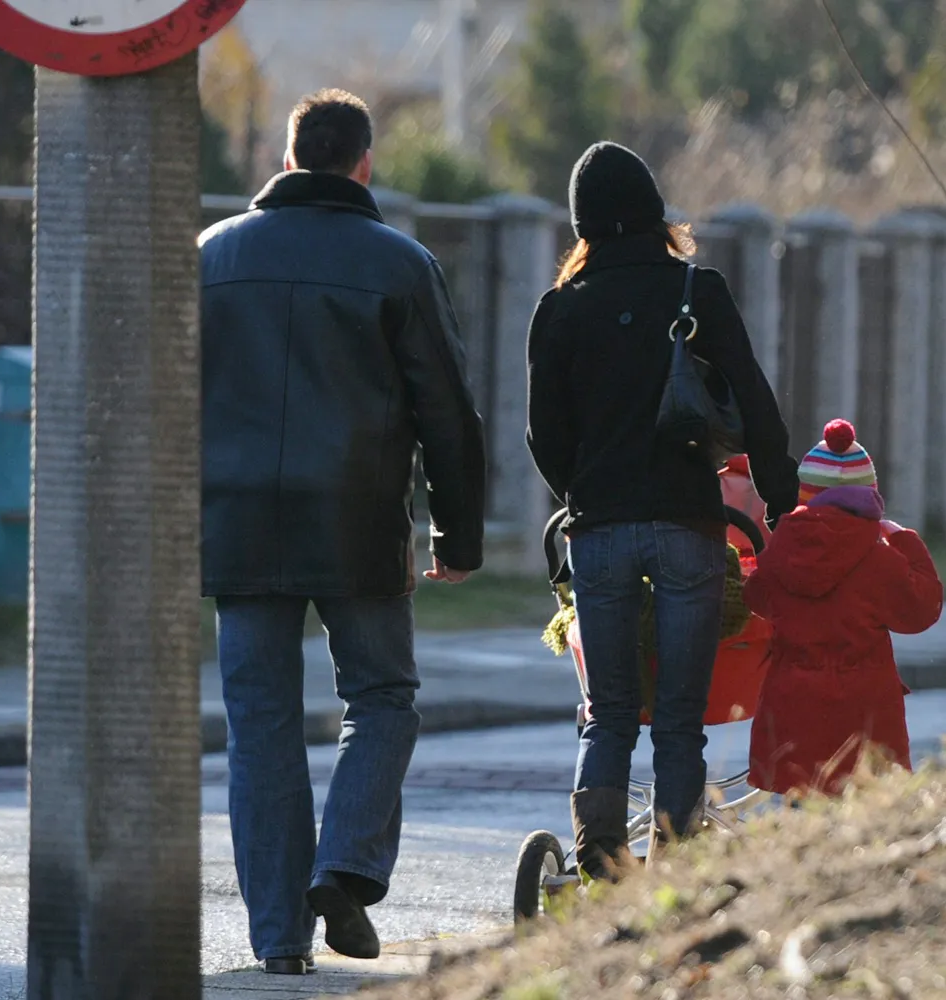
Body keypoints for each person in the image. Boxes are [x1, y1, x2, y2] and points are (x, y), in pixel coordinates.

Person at [199, 89, 487, 974]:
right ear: (363, 163)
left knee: (260, 727)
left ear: (288, 160)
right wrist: (457, 532)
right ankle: (348, 867)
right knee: (383, 697)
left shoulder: (209, 258)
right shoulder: (399, 264)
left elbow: (160, 398)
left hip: (238, 525)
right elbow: (448, 411)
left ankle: (279, 942)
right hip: (357, 521)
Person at [526, 141, 800, 877]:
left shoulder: (559, 309)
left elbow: (542, 434)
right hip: (688, 524)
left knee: (608, 712)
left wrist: (582, 492)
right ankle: (676, 865)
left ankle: (600, 856)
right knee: (680, 717)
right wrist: (780, 500)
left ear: (583, 227)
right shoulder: (695, 291)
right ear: (655, 213)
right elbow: (754, 402)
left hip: (600, 529)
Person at [743, 419, 943, 797]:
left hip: (793, 711)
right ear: (869, 497)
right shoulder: (879, 559)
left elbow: (755, 597)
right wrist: (904, 538)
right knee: (859, 825)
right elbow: (922, 609)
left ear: (805, 494)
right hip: (864, 715)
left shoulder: (783, 549)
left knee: (803, 813)